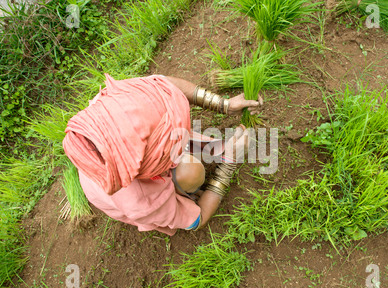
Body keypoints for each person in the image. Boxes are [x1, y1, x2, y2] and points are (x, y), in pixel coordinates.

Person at [63, 74, 262, 235]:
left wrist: (223, 104)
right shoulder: (140, 200)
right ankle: (182, 192)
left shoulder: (114, 104)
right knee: (192, 173)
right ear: (154, 163)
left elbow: (164, 85)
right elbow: (198, 220)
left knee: (184, 154)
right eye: (171, 142)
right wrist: (229, 164)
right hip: (141, 191)